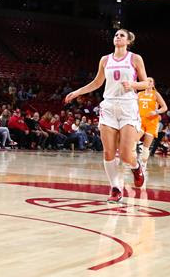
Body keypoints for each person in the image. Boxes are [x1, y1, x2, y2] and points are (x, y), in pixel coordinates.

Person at [64, 29, 152, 203]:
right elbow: (97, 82)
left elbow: (146, 83)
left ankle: (136, 167)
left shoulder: (135, 58)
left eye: (121, 35)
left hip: (128, 106)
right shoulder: (105, 59)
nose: (117, 37)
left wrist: (132, 84)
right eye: (116, 35)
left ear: (128, 41)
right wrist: (76, 92)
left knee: (127, 155)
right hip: (109, 106)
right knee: (108, 152)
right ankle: (115, 188)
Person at [137, 78, 168, 171]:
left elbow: (164, 107)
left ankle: (143, 164)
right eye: (146, 80)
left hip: (152, 122)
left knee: (146, 147)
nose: (148, 82)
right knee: (134, 140)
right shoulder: (139, 94)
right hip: (140, 120)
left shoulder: (155, 94)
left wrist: (156, 112)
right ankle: (138, 147)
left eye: (150, 81)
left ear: (153, 84)